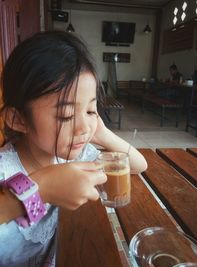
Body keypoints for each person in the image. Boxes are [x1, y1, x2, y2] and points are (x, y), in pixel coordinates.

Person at [0, 31, 147, 267]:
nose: (82, 127)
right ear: (18, 119)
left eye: (90, 111)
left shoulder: (74, 154)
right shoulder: (5, 169)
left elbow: (139, 165)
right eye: (66, 115)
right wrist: (41, 189)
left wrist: (102, 132)